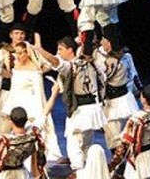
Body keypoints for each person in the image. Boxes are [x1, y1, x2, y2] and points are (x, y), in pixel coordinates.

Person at [33, 35, 105, 170]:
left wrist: (39, 49)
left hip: (80, 110)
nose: (59, 52)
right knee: (86, 144)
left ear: (70, 50)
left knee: (73, 142)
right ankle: (87, 171)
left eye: (61, 49)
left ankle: (78, 171)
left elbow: (55, 62)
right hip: (93, 109)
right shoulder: (92, 63)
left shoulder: (70, 66)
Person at [0, 38, 63, 161]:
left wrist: (39, 111)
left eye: (21, 53)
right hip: (18, 103)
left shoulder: (35, 69)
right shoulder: (15, 67)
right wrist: (9, 108)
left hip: (33, 104)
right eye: (16, 53)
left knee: (35, 132)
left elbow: (38, 92)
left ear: (27, 52)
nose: (18, 56)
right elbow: (14, 89)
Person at [107, 84, 150, 179]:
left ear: (144, 99)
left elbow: (125, 144)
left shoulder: (137, 118)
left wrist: (112, 164)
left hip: (140, 157)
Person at [94, 35, 138, 157]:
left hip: (121, 102)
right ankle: (120, 163)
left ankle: (121, 164)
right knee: (114, 137)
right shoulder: (99, 55)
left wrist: (135, 91)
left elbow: (132, 75)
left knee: (120, 138)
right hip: (112, 102)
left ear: (110, 43)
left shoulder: (123, 57)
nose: (101, 42)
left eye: (104, 40)